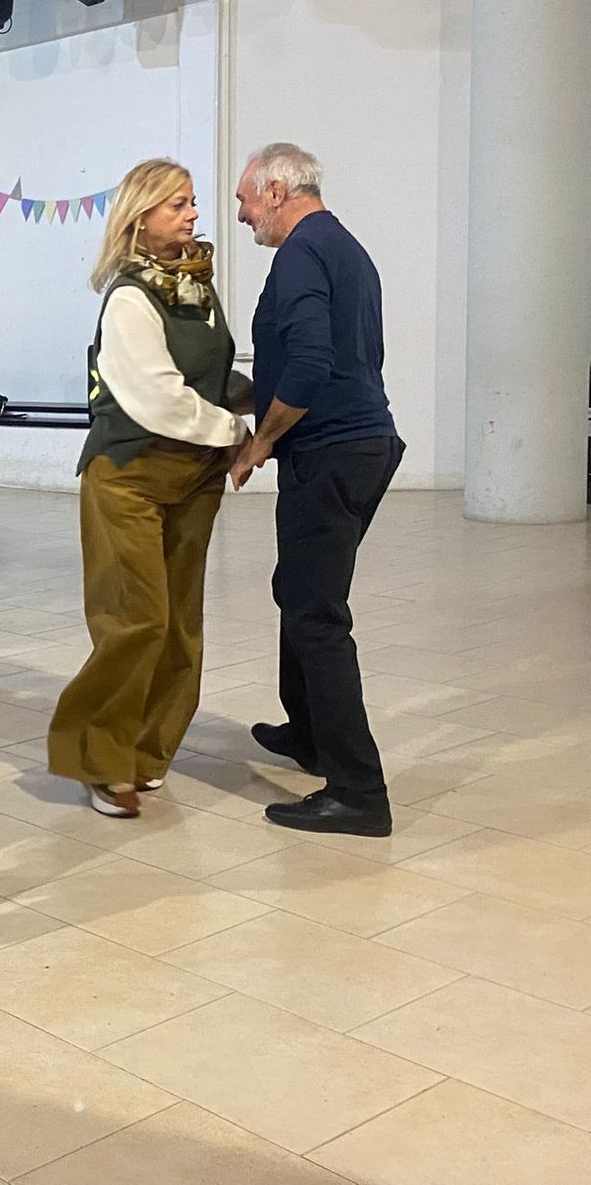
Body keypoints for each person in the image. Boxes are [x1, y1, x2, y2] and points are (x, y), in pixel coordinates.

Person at [46, 160, 252, 818]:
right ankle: (97, 760)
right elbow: (159, 397)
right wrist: (235, 431)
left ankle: (145, 751)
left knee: (180, 626)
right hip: (129, 476)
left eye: (192, 202)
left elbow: (209, 374)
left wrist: (263, 399)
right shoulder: (131, 298)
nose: (193, 214)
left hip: (194, 478)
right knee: (136, 620)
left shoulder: (197, 287)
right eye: (177, 205)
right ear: (140, 219)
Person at [231, 144, 404, 838]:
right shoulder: (344, 247)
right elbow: (349, 359)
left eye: (245, 199)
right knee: (297, 590)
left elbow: (308, 364)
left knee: (316, 616)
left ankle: (359, 792)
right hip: (362, 445)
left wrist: (261, 442)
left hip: (331, 453)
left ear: (276, 191)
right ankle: (307, 731)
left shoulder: (301, 254)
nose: (241, 215)